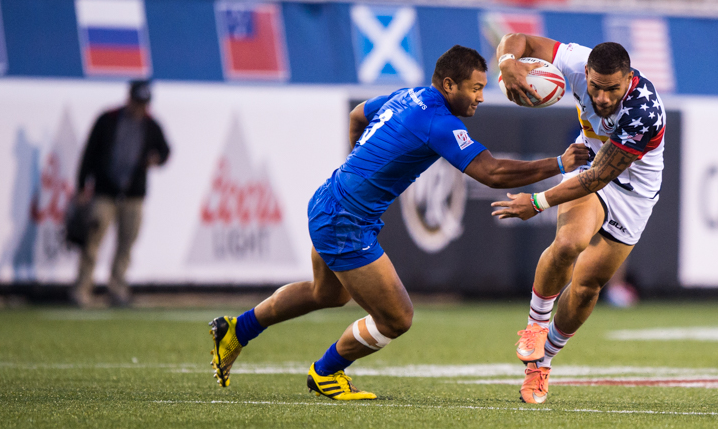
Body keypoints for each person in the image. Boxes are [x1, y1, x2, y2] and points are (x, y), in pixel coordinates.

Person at [208, 45, 589, 400]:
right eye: (474, 88)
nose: (479, 97)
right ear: (448, 84)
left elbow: (358, 113)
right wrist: (558, 164)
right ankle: (326, 371)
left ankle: (237, 330)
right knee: (396, 318)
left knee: (328, 294)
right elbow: (491, 173)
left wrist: (356, 159)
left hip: (330, 200)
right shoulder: (437, 122)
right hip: (346, 222)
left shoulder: (407, 95)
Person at [493, 34, 665, 404]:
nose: (602, 98)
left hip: (631, 191)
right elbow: (518, 39)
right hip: (590, 160)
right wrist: (507, 61)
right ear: (584, 72)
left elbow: (600, 178)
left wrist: (536, 201)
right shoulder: (573, 61)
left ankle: (542, 365)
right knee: (569, 243)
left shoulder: (643, 111)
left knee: (588, 286)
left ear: (629, 78)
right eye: (595, 88)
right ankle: (535, 327)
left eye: (612, 89)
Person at [71, 80, 170, 308]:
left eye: (144, 103)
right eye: (137, 102)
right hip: (105, 192)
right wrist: (81, 186)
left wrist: (156, 159)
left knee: (126, 244)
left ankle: (116, 288)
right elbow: (89, 154)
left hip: (133, 195)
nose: (140, 108)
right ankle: (82, 289)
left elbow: (165, 150)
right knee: (92, 241)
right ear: (129, 99)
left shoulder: (150, 125)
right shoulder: (108, 120)